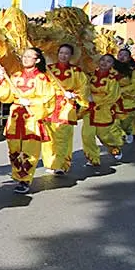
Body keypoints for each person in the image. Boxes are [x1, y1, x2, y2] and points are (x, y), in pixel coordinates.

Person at [0, 47, 56, 194]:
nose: (26, 59)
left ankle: (25, 179)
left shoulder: (42, 78)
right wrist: (3, 78)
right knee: (14, 150)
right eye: (24, 56)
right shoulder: (15, 76)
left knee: (30, 151)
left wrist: (32, 102)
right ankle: (18, 174)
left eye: (30, 56)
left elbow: (48, 99)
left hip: (32, 117)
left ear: (38, 60)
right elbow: (5, 96)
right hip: (16, 116)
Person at [41, 44, 89, 175]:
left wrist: (74, 95)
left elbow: (83, 88)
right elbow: (41, 85)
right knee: (49, 136)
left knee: (64, 136)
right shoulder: (49, 70)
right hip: (50, 105)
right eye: (61, 53)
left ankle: (61, 164)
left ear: (71, 55)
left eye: (66, 53)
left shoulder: (76, 71)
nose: (63, 55)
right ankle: (50, 163)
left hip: (66, 106)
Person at [82, 54, 123, 166]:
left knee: (103, 135)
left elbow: (112, 96)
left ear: (112, 65)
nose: (104, 63)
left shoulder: (113, 79)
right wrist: (86, 98)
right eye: (103, 60)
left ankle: (114, 147)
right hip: (89, 109)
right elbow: (83, 88)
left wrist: (95, 100)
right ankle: (93, 158)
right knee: (87, 135)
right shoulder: (90, 75)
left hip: (104, 110)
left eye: (109, 61)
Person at [114, 48, 135, 143]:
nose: (121, 57)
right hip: (114, 100)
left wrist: (121, 90)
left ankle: (131, 134)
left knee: (130, 121)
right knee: (114, 121)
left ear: (129, 58)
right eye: (120, 54)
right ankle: (121, 135)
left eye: (125, 55)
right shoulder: (113, 68)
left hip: (129, 100)